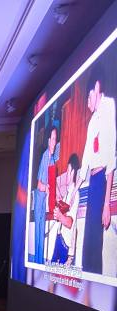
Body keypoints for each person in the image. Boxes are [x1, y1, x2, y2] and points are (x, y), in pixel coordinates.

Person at [74, 66, 116, 276]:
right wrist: (73, 191)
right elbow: (86, 160)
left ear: (96, 89)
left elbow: (109, 160)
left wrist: (106, 204)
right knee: (88, 242)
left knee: (95, 240)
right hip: (92, 184)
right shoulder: (92, 121)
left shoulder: (109, 107)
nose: (87, 102)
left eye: (88, 96)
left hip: (101, 182)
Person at [50, 154, 82, 266]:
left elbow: (69, 223)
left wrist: (60, 216)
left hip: (65, 244)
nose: (66, 175)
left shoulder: (75, 195)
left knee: (60, 278)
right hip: (59, 238)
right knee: (52, 276)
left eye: (68, 171)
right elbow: (62, 216)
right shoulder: (67, 195)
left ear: (73, 172)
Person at [34, 127, 60, 264]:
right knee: (39, 231)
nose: (55, 142)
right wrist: (47, 187)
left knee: (42, 229)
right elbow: (39, 185)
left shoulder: (52, 158)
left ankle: (40, 262)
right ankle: (38, 262)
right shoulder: (45, 156)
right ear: (49, 140)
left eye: (56, 139)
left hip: (45, 199)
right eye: (54, 139)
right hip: (39, 198)